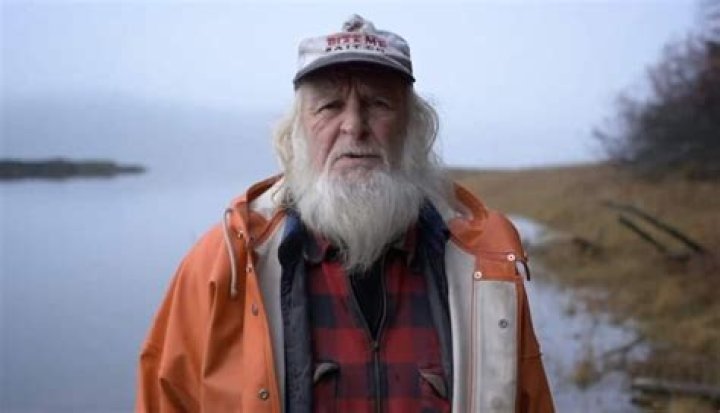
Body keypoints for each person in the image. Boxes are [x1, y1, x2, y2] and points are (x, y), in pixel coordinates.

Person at [136, 14, 553, 413]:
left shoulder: (486, 270)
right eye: (330, 106)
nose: (354, 125)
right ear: (297, 130)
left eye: (378, 103)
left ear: (413, 127)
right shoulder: (223, 265)